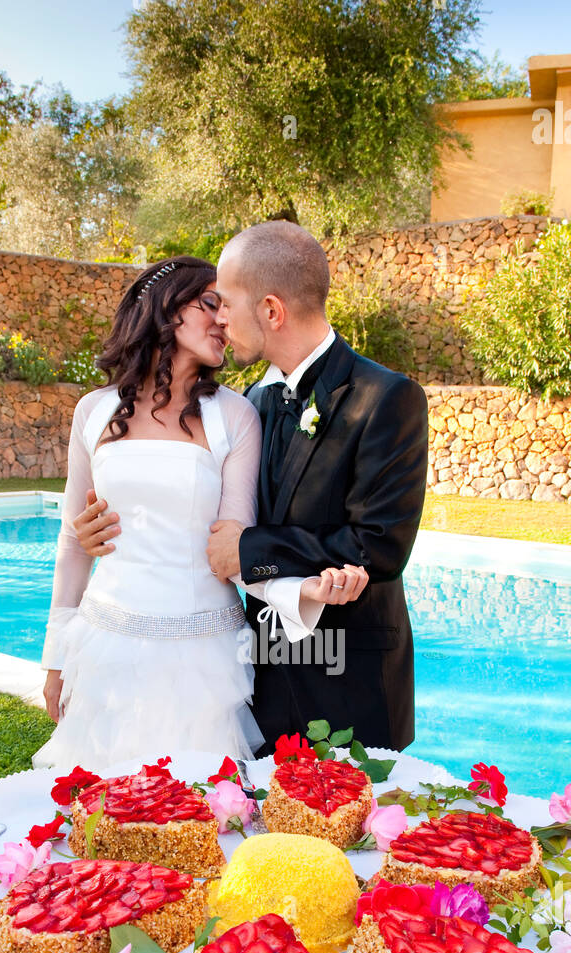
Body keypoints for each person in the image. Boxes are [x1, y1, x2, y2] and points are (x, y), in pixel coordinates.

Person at [75, 223, 429, 754]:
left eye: (227, 303)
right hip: (258, 680)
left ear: (270, 311)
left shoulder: (385, 398)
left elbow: (378, 544)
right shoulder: (247, 405)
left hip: (349, 681)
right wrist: (105, 529)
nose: (219, 318)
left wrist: (246, 550)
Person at [34, 255, 368, 768]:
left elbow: (236, 548)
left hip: (202, 654)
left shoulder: (235, 415)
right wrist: (57, 657)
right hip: (106, 644)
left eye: (227, 307)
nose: (224, 320)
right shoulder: (93, 410)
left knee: (203, 815)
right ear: (166, 309)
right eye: (210, 304)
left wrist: (299, 590)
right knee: (104, 813)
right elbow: (74, 543)